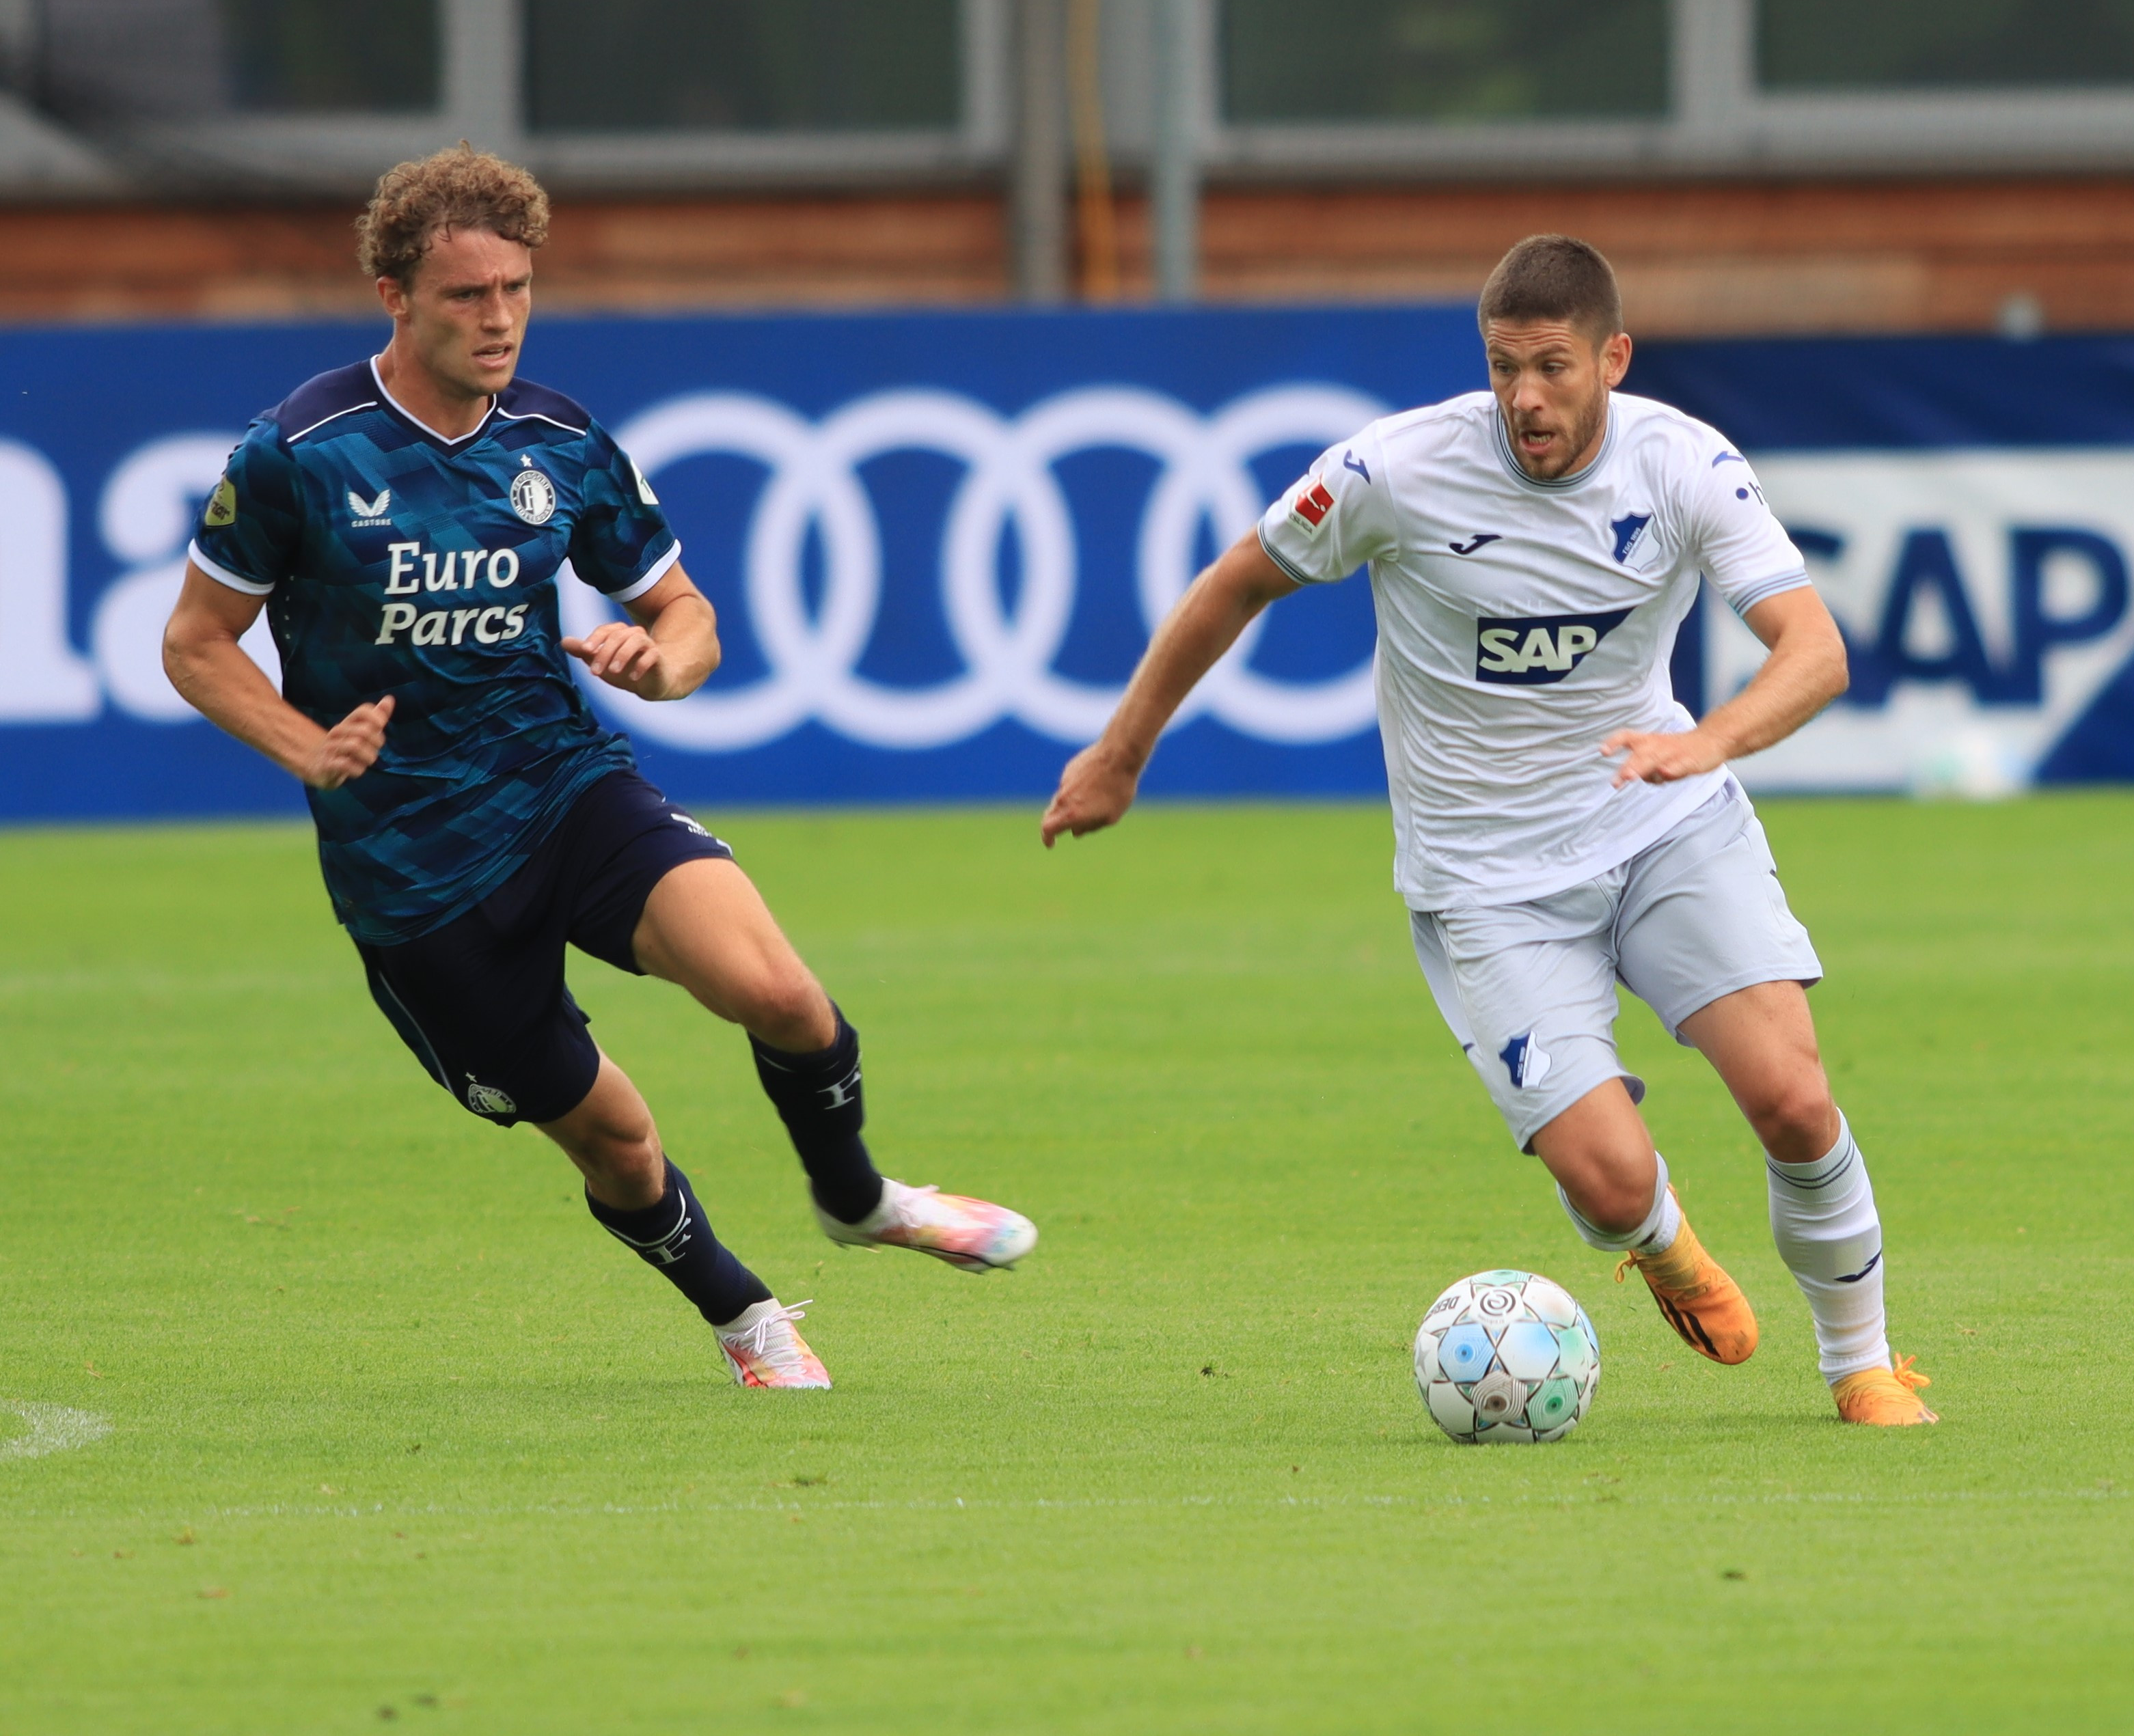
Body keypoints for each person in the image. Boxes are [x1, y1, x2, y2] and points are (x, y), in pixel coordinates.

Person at [163, 143, 1035, 1392]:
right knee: (620, 1144)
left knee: (784, 997)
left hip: (565, 788)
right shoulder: (300, 453)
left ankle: (858, 1199)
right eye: (467, 295)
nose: (500, 317)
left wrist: (664, 664)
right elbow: (196, 645)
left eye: (516, 288)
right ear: (395, 297)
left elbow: (689, 615)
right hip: (414, 878)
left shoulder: (559, 439)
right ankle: (740, 1314)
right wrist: (310, 747)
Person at [1043, 234, 1932, 1427]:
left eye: (1554, 367)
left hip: (1663, 825)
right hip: (1487, 883)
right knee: (1610, 1185)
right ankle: (1659, 1243)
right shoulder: (1392, 471)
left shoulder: (1687, 466)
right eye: (1505, 367)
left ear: (1612, 358)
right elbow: (1236, 582)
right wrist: (1119, 754)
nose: (1525, 398)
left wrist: (1707, 743)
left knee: (1792, 1099)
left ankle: (1862, 1367)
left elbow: (1814, 651)